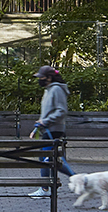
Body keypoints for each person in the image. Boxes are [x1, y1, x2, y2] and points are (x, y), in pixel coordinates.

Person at [28, 65, 76, 198]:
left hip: (54, 129)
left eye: (41, 78)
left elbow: (61, 111)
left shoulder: (56, 89)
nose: (40, 80)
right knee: (50, 159)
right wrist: (37, 127)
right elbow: (48, 112)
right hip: (47, 128)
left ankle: (44, 189)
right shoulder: (48, 90)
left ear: (49, 78)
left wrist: (46, 121)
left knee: (46, 159)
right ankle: (79, 180)